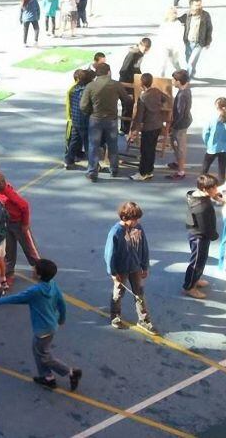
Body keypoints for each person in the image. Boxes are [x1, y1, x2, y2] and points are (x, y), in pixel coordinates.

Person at [0, 259, 81, 391]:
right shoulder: (53, 285)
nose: (32, 270)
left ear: (39, 275)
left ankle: (71, 372)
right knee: (38, 352)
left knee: (44, 356)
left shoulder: (35, 291)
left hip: (42, 330)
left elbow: (17, 298)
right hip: (51, 325)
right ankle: (47, 377)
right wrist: (62, 318)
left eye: (35, 269)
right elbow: (61, 303)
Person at [105, 202, 155, 333]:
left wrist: (145, 266)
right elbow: (110, 254)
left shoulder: (138, 228)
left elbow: (144, 247)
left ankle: (143, 320)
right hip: (121, 269)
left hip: (136, 267)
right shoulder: (115, 232)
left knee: (139, 293)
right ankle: (115, 316)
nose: (136, 221)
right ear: (124, 218)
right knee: (118, 293)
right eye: (134, 219)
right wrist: (113, 272)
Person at [0, 172, 39, 288]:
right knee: (9, 250)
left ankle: (37, 267)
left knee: (28, 247)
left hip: (19, 224)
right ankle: (9, 273)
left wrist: (25, 224)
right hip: (7, 224)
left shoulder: (9, 194)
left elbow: (24, 206)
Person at [80, 64, 128, 182]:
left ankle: (92, 171)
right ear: (109, 72)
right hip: (111, 119)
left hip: (96, 119)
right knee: (112, 145)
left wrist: (90, 112)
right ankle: (114, 169)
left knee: (93, 146)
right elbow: (126, 100)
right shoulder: (116, 85)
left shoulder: (91, 86)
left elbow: (83, 106)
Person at [182, 174, 220, 299]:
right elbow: (205, 228)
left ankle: (196, 279)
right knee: (197, 262)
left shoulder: (195, 196)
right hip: (199, 237)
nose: (216, 190)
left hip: (195, 233)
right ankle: (189, 286)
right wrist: (214, 235)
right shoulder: (202, 207)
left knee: (201, 259)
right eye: (214, 188)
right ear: (204, 189)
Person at [128, 74, 169, 181]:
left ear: (142, 83)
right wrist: (159, 106)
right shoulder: (156, 91)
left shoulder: (142, 97)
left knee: (145, 150)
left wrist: (133, 129)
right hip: (158, 125)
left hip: (148, 126)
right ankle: (149, 170)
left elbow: (139, 116)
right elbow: (166, 98)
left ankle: (142, 173)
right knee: (151, 149)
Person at [118, 38, 151, 133]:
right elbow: (123, 70)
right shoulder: (133, 54)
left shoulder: (140, 54)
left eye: (146, 50)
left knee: (132, 105)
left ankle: (127, 128)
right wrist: (131, 82)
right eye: (144, 49)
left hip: (133, 83)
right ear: (140, 45)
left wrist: (141, 77)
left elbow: (136, 68)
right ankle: (124, 129)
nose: (145, 51)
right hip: (126, 84)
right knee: (127, 105)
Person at [201, 97, 226, 181]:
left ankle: (202, 184)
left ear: (216, 107)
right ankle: (221, 187)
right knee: (222, 170)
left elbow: (205, 134)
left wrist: (208, 144)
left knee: (205, 168)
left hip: (212, 147)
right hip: (225, 148)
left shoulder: (211, 120)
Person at [166, 69, 193, 180]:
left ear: (178, 81)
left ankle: (181, 171)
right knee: (178, 145)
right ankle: (179, 163)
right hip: (185, 121)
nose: (172, 81)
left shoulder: (182, 95)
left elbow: (180, 113)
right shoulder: (186, 90)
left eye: (173, 79)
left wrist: (172, 126)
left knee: (178, 146)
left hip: (180, 124)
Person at [145, 7, 186, 77]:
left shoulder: (178, 23)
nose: (175, 15)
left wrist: (177, 48)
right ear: (169, 14)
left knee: (175, 63)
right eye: (173, 13)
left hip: (174, 48)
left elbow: (179, 37)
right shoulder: (164, 23)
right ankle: (162, 77)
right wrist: (159, 46)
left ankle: (182, 76)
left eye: (176, 13)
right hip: (164, 47)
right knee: (163, 64)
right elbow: (160, 35)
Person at [64, 69, 92, 170]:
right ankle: (93, 165)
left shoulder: (73, 89)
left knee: (74, 141)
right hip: (85, 121)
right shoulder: (86, 91)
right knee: (88, 143)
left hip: (75, 120)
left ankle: (68, 160)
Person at [178, 0, 212, 78]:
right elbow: (178, 20)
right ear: (191, 5)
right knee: (188, 59)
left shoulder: (205, 15)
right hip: (188, 42)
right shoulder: (187, 14)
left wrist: (208, 42)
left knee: (191, 62)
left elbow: (209, 29)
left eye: (199, 5)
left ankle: (186, 79)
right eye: (196, 5)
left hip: (199, 43)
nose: (198, 7)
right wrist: (171, 15)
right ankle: (192, 71)